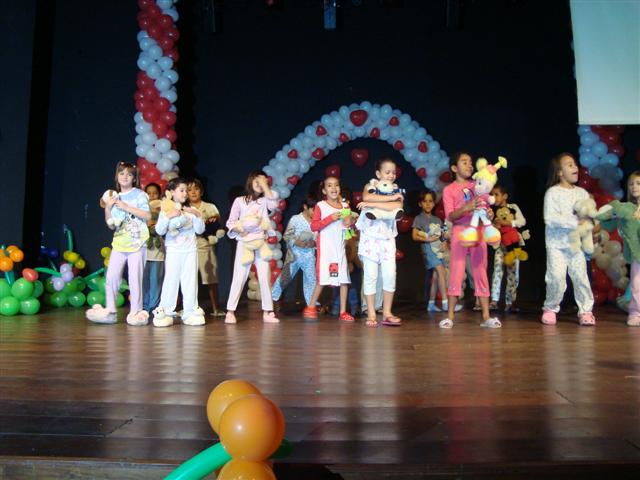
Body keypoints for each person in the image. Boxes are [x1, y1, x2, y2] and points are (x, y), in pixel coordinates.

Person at [440, 152, 500, 328]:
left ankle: (486, 316)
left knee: (480, 271)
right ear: (454, 168)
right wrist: (466, 208)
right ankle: (450, 317)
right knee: (456, 271)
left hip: (479, 231)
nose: (469, 165)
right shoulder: (449, 190)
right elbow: (450, 216)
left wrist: (489, 213)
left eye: (470, 162)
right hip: (460, 232)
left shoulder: (477, 185)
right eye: (464, 162)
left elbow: (485, 206)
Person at [86, 162, 151, 325]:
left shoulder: (140, 195)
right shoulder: (114, 197)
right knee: (111, 277)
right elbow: (111, 225)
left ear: (134, 178)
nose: (125, 177)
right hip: (119, 243)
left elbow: (148, 215)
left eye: (129, 174)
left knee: (135, 278)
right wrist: (108, 209)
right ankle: (111, 311)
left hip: (137, 242)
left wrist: (126, 207)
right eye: (121, 173)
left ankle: (135, 312)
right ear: (117, 176)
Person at [542, 152, 595, 326]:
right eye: (569, 165)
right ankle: (550, 308)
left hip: (575, 245)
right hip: (556, 245)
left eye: (575, 164)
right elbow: (550, 218)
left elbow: (588, 215)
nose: (575, 167)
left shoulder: (582, 193)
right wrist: (574, 222)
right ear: (559, 172)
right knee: (556, 278)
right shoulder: (553, 192)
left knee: (581, 278)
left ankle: (586, 311)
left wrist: (589, 224)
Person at [225, 171, 280, 324]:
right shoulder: (240, 201)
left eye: (263, 181)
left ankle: (267, 311)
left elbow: (274, 205)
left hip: (260, 242)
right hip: (244, 242)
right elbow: (230, 221)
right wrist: (239, 230)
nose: (260, 184)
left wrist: (265, 185)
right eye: (257, 181)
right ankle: (230, 311)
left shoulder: (265, 200)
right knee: (239, 276)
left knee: (265, 277)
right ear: (250, 181)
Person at [152, 177, 207, 327]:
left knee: (190, 282)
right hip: (174, 251)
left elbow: (200, 230)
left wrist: (197, 215)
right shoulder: (166, 211)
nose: (185, 193)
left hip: (190, 250)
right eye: (181, 190)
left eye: (186, 190)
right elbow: (159, 230)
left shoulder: (191, 210)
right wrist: (168, 216)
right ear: (171, 192)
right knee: (171, 280)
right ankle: (165, 312)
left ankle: (190, 312)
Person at [356, 158, 403, 327]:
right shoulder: (371, 184)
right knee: (371, 276)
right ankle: (371, 313)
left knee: (390, 275)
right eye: (387, 172)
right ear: (378, 173)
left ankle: (387, 312)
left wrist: (372, 204)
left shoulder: (396, 189)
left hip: (387, 239)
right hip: (370, 238)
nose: (391, 175)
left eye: (393, 172)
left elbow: (397, 207)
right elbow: (366, 196)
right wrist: (386, 201)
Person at [302, 176, 354, 321]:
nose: (333, 188)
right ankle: (311, 307)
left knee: (344, 280)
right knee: (323, 279)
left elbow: (348, 228)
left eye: (336, 185)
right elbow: (314, 226)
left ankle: (343, 312)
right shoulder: (321, 205)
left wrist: (349, 222)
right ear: (324, 190)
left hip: (340, 249)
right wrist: (330, 218)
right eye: (329, 185)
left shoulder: (345, 206)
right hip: (326, 250)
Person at [412, 189, 460, 313]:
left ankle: (431, 304)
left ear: (434, 203)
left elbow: (443, 235)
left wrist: (444, 243)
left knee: (435, 277)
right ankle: (445, 302)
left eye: (430, 201)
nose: (428, 204)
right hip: (428, 251)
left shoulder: (438, 220)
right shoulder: (419, 218)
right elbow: (414, 236)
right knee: (441, 271)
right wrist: (427, 239)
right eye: (425, 201)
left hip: (438, 251)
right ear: (420, 204)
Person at [271, 194, 318, 306]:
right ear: (305, 207)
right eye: (313, 209)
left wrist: (313, 243)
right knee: (285, 277)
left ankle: (311, 303)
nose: (315, 212)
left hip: (309, 256)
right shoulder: (295, 219)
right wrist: (296, 242)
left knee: (311, 280)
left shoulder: (316, 222)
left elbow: (317, 239)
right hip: (294, 255)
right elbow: (287, 235)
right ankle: (272, 297)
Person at [187, 179, 225, 317]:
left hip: (205, 246)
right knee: (188, 279)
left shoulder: (209, 207)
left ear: (201, 191)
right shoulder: (183, 208)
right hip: (187, 247)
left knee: (211, 278)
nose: (193, 192)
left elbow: (217, 224)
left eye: (196, 189)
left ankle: (216, 308)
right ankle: (189, 308)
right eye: (189, 190)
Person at [490, 184, 526, 312]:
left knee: (513, 273)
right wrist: (494, 226)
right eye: (492, 195)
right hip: (500, 246)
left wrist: (509, 223)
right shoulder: (492, 211)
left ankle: (510, 302)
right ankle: (494, 301)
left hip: (513, 246)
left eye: (496, 194)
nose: (493, 197)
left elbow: (522, 221)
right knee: (497, 271)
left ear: (504, 196)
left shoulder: (513, 207)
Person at [143, 182, 165, 313]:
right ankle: (144, 306)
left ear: (159, 195)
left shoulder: (164, 210)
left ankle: (154, 307)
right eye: (149, 193)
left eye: (155, 193)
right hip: (143, 251)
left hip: (158, 252)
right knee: (144, 280)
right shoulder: (141, 210)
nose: (152, 196)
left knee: (156, 280)